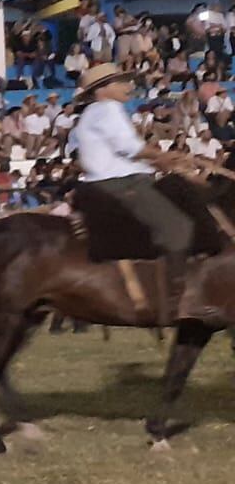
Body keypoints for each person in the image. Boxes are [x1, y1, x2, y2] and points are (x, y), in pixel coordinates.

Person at [70, 63, 195, 321]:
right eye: (122, 82)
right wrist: (165, 156)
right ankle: (176, 300)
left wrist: (161, 160)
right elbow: (131, 147)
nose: (129, 87)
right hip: (122, 184)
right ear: (103, 89)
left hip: (118, 180)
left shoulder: (94, 112)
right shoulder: (108, 109)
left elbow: (126, 151)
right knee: (179, 228)